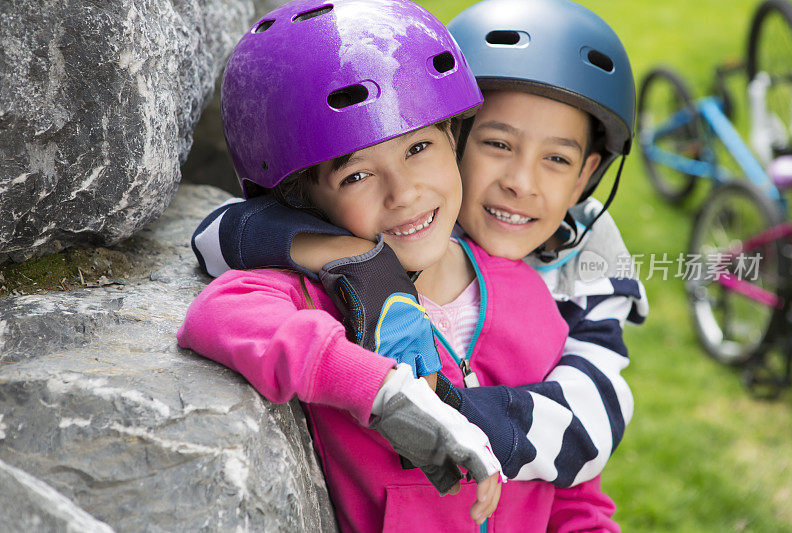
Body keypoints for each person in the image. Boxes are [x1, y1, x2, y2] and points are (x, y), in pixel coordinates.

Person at [192, 0, 647, 499]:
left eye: (557, 158)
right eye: (497, 144)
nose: (519, 182)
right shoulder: (401, 233)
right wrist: (358, 264)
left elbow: (588, 432)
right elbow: (221, 237)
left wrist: (438, 410)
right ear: (461, 134)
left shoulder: (585, 277)